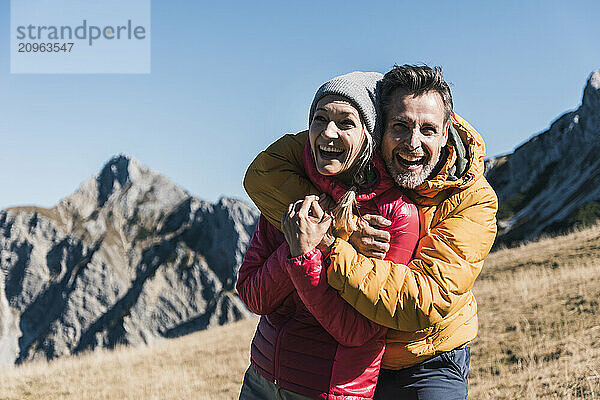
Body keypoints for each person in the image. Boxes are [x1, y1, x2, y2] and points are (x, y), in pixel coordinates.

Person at [244, 65, 498, 399]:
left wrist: (325, 242)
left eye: (428, 130)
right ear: (378, 131)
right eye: (401, 126)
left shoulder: (473, 200)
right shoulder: (354, 163)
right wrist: (335, 225)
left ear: (446, 132)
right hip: (357, 369)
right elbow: (263, 172)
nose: (413, 143)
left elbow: (421, 301)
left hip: (426, 358)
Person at [236, 71, 420, 399]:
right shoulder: (289, 192)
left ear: (370, 135)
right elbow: (253, 295)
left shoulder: (395, 215)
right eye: (319, 118)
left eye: (346, 122)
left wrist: (307, 254)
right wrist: (300, 244)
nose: (328, 132)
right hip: (260, 380)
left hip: (327, 392)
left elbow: (360, 330)